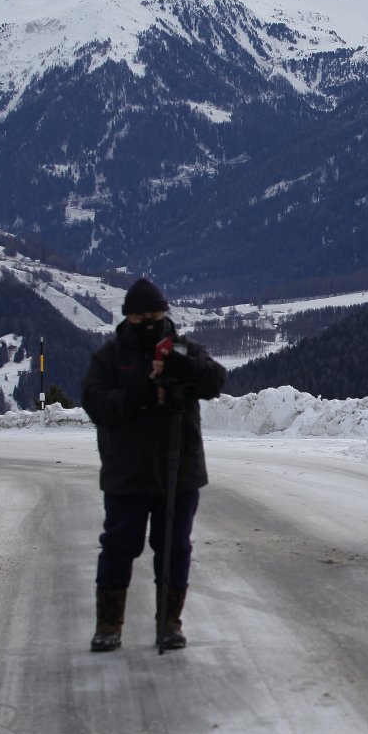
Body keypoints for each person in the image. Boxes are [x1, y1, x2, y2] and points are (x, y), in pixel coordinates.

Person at [82, 277, 226, 652]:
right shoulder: (110, 357)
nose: (149, 322)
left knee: (174, 548)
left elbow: (215, 380)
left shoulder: (182, 347)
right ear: (127, 317)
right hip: (127, 470)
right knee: (119, 545)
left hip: (180, 468)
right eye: (141, 316)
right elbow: (96, 403)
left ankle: (169, 624)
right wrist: (139, 397)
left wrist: (188, 369)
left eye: (155, 315)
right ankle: (108, 625)